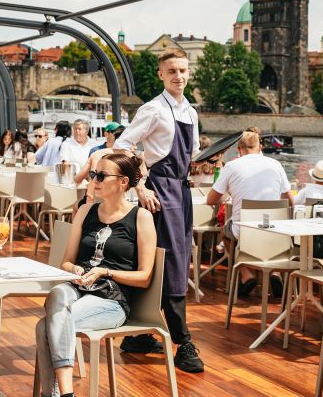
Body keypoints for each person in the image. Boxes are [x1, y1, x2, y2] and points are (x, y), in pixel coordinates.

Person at [109, 48, 204, 372]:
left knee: (169, 262)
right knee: (173, 264)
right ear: (161, 75)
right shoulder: (153, 109)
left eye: (183, 70)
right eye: (172, 71)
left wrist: (208, 163)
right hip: (161, 191)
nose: (179, 76)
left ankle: (139, 332)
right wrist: (140, 185)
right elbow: (122, 146)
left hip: (182, 190)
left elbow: (191, 156)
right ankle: (183, 342)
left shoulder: (191, 112)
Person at [36, 153, 157, 397]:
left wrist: (105, 271)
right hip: (78, 288)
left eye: (101, 175)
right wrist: (75, 269)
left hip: (111, 299)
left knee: (44, 326)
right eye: (94, 175)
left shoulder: (141, 217)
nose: (95, 180)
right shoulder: (85, 212)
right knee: (58, 293)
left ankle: (60, 394)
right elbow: (66, 262)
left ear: (123, 182)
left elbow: (145, 276)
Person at [206, 130, 293, 297]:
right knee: (269, 235)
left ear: (239, 149)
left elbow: (211, 200)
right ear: (260, 147)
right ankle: (275, 273)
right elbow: (290, 200)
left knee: (225, 232)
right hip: (274, 229)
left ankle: (246, 274)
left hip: (244, 231)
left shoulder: (232, 166)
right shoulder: (275, 164)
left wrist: (231, 194)